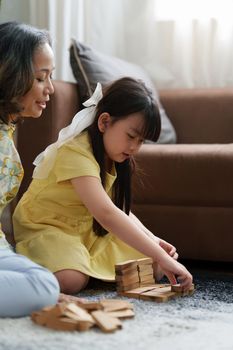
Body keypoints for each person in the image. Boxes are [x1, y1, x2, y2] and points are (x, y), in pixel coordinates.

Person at [13, 76, 193, 295]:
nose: (135, 147)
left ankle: (80, 261)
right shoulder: (75, 151)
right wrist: (162, 256)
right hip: (49, 227)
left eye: (141, 141)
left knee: (152, 267)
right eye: (131, 136)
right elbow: (106, 213)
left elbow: (118, 209)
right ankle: (24, 272)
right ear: (104, 122)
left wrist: (152, 240)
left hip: (86, 229)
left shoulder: (115, 156)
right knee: (71, 280)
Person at [0, 21, 61, 317]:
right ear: (11, 75)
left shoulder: (6, 130)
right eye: (41, 78)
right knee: (44, 286)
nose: (50, 89)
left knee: (46, 283)